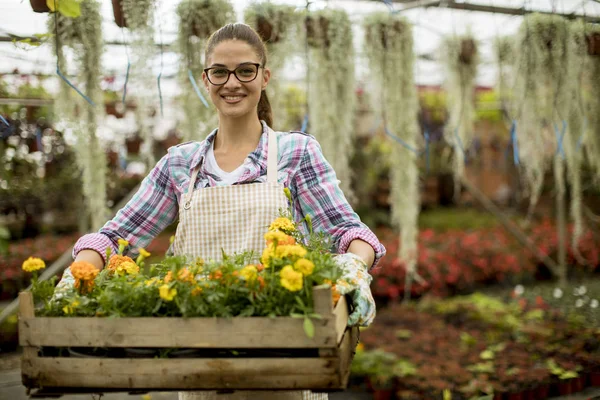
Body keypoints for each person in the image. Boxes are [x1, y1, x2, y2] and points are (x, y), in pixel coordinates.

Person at [56, 23, 385, 400]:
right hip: (199, 364)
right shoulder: (179, 164)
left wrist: (353, 267)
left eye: (246, 71)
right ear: (206, 79)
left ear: (265, 76)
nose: (233, 83)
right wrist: (77, 275)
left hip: (287, 360)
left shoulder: (296, 153)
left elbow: (348, 232)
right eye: (220, 72)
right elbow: (117, 238)